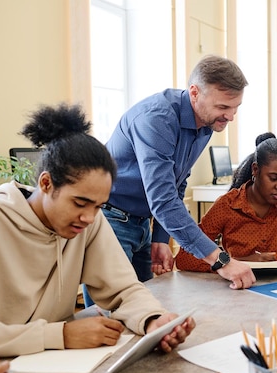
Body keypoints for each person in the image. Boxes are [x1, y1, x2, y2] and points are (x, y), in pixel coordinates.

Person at [0, 104, 194, 357]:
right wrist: (59, 334)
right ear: (45, 183)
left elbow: (123, 289)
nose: (88, 217)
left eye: (99, 206)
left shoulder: (88, 223)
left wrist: (154, 320)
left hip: (55, 365)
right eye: (79, 202)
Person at [94, 54, 254, 304]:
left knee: (144, 309)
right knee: (110, 316)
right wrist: (220, 260)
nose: (230, 116)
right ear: (194, 93)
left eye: (235, 108)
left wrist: (160, 237)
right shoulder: (156, 119)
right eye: (223, 107)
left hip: (141, 224)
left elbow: (177, 183)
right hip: (108, 220)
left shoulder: (207, 122)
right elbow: (164, 199)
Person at [175, 134, 277, 271]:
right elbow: (184, 259)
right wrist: (234, 263)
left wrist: (273, 259)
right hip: (236, 288)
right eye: (273, 178)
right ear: (255, 170)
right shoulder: (227, 204)